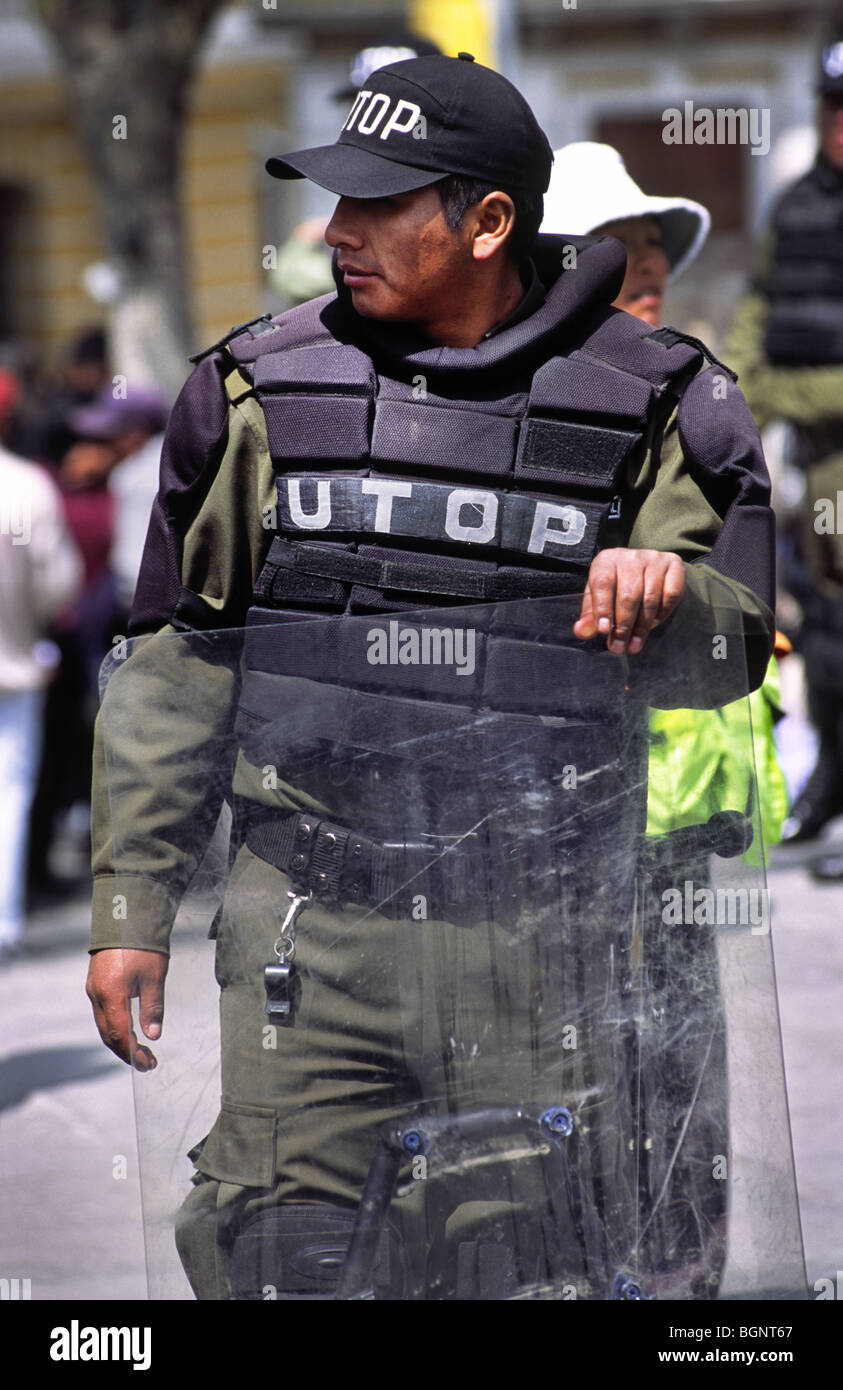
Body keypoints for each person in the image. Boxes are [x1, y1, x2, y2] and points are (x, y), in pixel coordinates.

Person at [86, 54, 776, 1299]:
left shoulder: (664, 400)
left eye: (376, 206)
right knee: (282, 1258)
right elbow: (177, 669)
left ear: (489, 221)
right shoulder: (252, 392)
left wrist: (666, 597)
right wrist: (131, 912)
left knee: (525, 1263)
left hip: (546, 939)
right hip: (311, 936)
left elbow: (734, 649)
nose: (335, 231)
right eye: (334, 199)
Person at [542, 143, 789, 855]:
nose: (648, 264)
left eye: (652, 245)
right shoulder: (524, 403)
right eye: (618, 245)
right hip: (586, 802)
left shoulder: (692, 393)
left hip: (697, 823)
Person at [725, 19, 843, 871]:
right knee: (828, 630)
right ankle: (831, 780)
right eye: (832, 107)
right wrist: (734, 395)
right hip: (817, 464)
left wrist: (785, 391)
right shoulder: (798, 207)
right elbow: (752, 331)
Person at [0, 369, 82, 957]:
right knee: (9, 791)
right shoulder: (27, 486)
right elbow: (56, 583)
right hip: (15, 663)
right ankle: (3, 923)